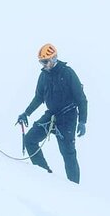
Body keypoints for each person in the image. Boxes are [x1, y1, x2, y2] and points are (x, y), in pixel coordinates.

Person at [16, 44, 88, 183]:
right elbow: (39, 97)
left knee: (68, 153)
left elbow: (81, 98)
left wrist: (83, 121)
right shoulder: (43, 76)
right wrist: (26, 113)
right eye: (41, 62)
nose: (43, 65)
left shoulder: (67, 73)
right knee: (30, 139)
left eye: (45, 61)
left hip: (68, 116)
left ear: (54, 58)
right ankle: (44, 173)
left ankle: (74, 188)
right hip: (51, 115)